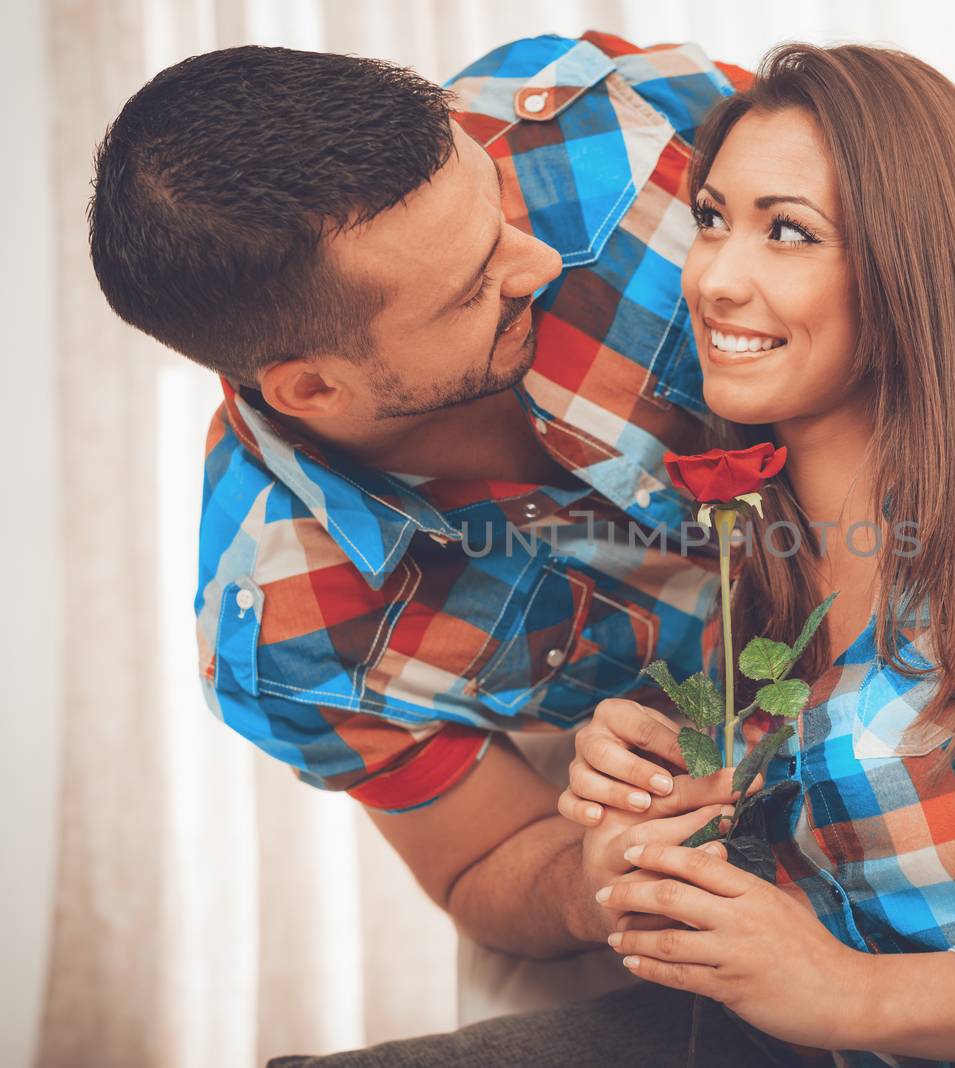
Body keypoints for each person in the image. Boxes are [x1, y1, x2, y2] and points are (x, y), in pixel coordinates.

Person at [274, 41, 955, 1068]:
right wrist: (643, 822)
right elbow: (746, 944)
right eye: (710, 218)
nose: (712, 278)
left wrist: (861, 997)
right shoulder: (744, 600)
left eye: (788, 231)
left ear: (912, 273)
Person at [87, 32, 762, 980]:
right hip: (692, 782)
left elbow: (919, 238)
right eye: (470, 289)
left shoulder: (610, 116)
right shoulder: (286, 632)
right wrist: (595, 875)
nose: (534, 263)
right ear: (315, 390)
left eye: (494, 204)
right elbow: (487, 862)